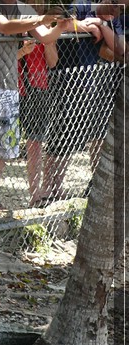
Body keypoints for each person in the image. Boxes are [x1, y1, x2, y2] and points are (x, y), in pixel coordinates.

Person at [0, 0, 70, 217]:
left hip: (7, 85)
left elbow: (46, 37)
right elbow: (5, 26)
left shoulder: (24, 9)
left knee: (1, 148)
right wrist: (42, 19)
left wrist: (61, 26)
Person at [41, 1, 124, 204]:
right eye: (113, 4)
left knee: (83, 136)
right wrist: (88, 25)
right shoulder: (81, 4)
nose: (115, 10)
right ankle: (47, 189)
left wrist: (102, 27)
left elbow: (120, 48)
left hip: (89, 81)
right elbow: (63, 24)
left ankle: (63, 186)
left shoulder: (113, 21)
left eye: (120, 8)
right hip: (64, 77)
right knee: (59, 137)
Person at [17, 38, 57, 207]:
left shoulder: (46, 29)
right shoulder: (16, 23)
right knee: (2, 144)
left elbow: (53, 62)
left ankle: (35, 193)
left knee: (36, 142)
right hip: (13, 86)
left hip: (39, 87)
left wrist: (47, 38)